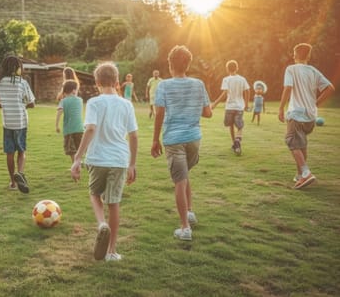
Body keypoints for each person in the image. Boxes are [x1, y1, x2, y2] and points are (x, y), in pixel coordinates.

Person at [71, 62, 138, 262]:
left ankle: (101, 224)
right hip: (119, 160)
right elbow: (133, 136)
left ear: (97, 82)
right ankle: (111, 251)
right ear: (118, 82)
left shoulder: (94, 102)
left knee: (94, 194)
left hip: (97, 159)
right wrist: (133, 164)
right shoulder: (127, 104)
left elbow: (90, 129)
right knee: (114, 203)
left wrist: (77, 158)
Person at [151, 45, 212, 241]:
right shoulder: (199, 84)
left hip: (174, 139)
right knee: (184, 176)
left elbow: (159, 113)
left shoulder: (164, 86)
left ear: (170, 64)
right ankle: (190, 212)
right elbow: (208, 113)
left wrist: (155, 140)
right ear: (188, 64)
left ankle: (185, 228)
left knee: (179, 180)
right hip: (194, 139)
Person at [278, 43, 335, 189]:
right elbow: (330, 88)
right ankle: (300, 176)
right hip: (310, 116)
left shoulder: (291, 69)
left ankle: (306, 173)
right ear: (308, 56)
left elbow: (288, 88)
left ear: (294, 55)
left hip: (296, 114)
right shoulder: (314, 71)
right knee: (301, 144)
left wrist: (280, 108)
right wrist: (315, 103)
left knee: (291, 141)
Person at [0, 55, 35, 193]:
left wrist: (1, 104)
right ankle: (21, 173)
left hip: (8, 123)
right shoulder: (22, 82)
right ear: (18, 67)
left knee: (10, 153)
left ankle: (13, 182)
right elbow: (32, 103)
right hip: (21, 121)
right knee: (22, 151)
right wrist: (22, 104)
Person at [211, 60, 250, 155]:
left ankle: (234, 143)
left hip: (229, 107)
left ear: (227, 69)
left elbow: (224, 94)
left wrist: (215, 103)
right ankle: (237, 141)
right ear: (237, 68)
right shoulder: (242, 79)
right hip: (239, 107)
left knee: (231, 125)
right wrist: (246, 104)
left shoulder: (226, 79)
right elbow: (248, 91)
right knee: (240, 126)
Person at [55, 80, 84, 165]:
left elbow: (59, 113)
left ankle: (75, 163)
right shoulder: (80, 100)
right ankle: (79, 161)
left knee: (71, 150)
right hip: (80, 128)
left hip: (69, 129)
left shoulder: (63, 101)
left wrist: (56, 125)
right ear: (74, 90)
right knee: (79, 147)